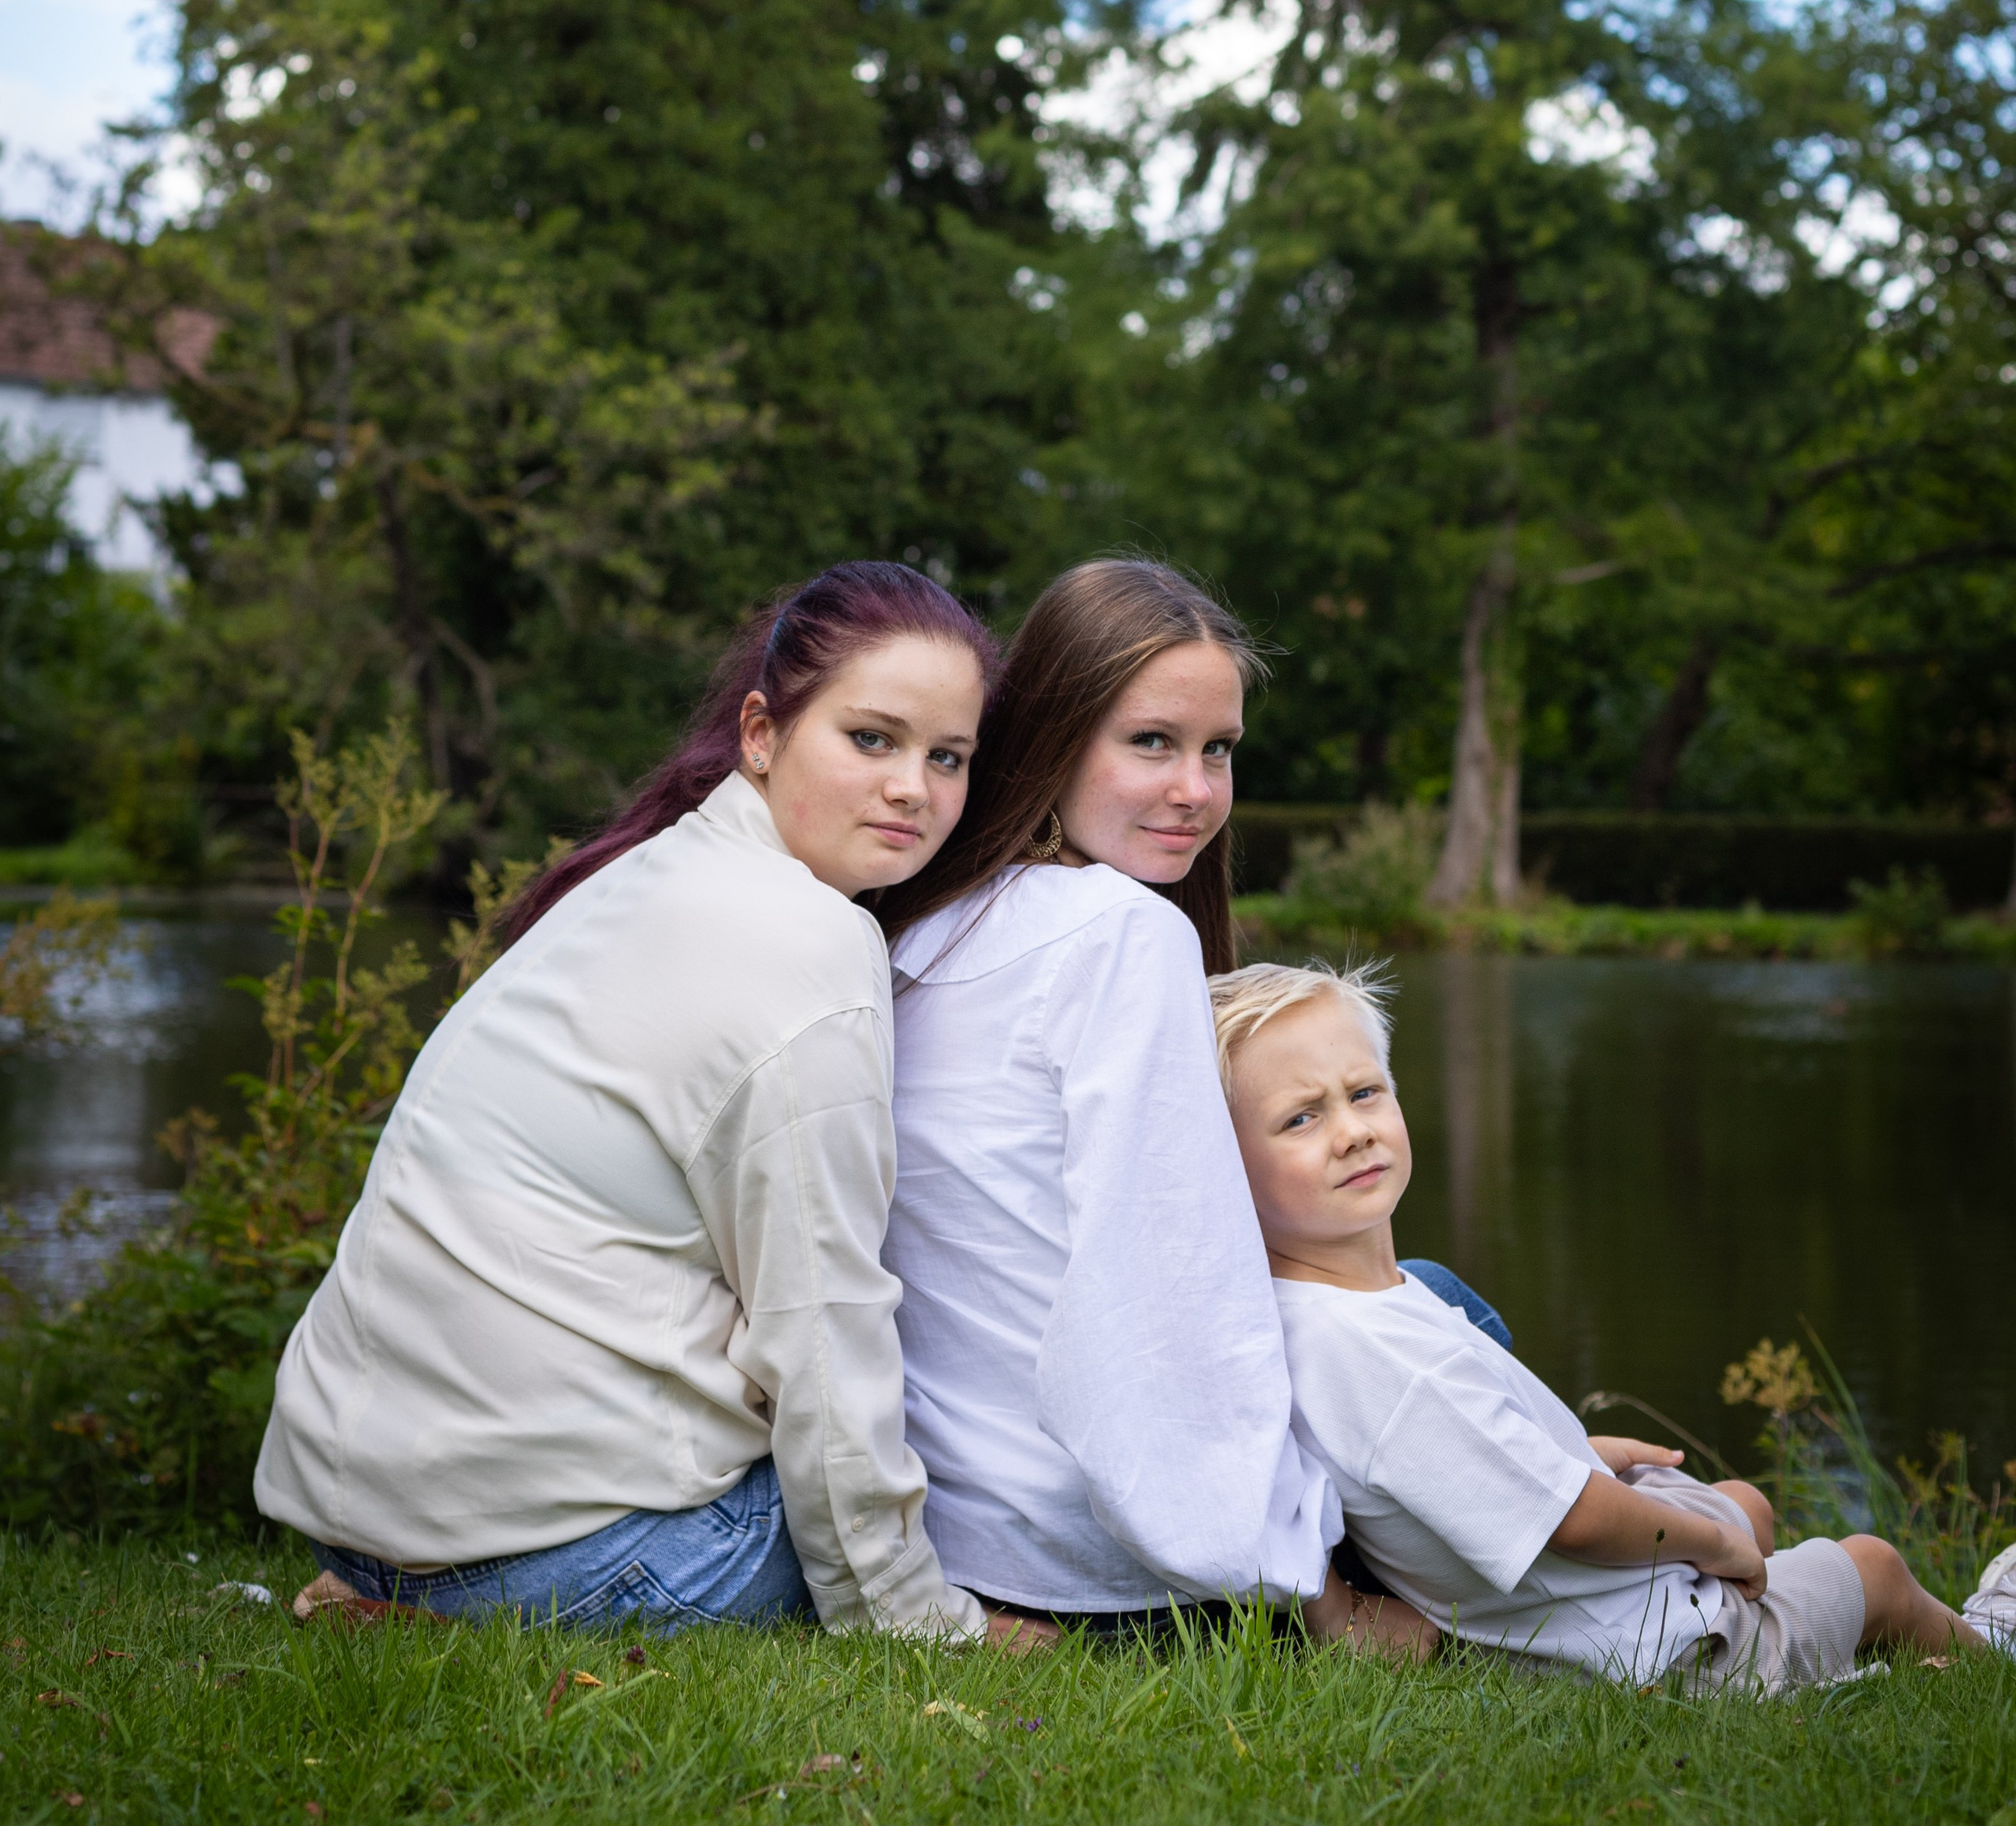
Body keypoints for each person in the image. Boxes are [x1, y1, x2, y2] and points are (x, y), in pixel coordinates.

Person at [258, 560, 1019, 1646]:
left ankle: (411, 1602)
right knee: (965, 1477)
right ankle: (476, 1608)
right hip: (562, 1549)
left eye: (948, 758)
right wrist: (915, 1619)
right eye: (872, 739)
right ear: (762, 734)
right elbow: (822, 1324)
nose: (915, 788)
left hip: (370, 1516)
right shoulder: (803, 948)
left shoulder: (644, 877)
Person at [877, 556, 1470, 1643]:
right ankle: (1587, 1518)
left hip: (966, 1526)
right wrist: (1316, 1592)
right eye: (1150, 742)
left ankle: (1575, 1488)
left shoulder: (924, 927)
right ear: (1052, 735)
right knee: (1431, 1303)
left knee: (1406, 1303)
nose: (1195, 791)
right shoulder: (1121, 934)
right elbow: (1163, 1296)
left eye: (1219, 750)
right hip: (1101, 1562)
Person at [1209, 957, 2011, 1687]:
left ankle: (1901, 1649)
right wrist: (1711, 1547)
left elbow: (1439, 1467)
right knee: (1868, 1565)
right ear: (1226, 1169)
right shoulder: (1371, 1352)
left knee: (1748, 1503)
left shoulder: (1329, 1312)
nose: (1351, 1131)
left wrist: (1576, 1453)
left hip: (1582, 1615)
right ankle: (1984, 1660)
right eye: (1299, 1119)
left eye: (1362, 1093)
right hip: (1664, 1653)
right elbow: (1575, 1521)